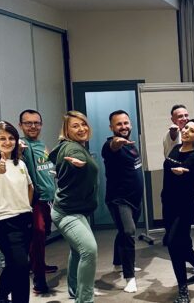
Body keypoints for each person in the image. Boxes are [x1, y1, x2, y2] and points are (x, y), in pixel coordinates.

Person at [49, 111, 99, 303]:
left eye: (83, 124)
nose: (81, 129)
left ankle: (74, 290)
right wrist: (79, 164)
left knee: (78, 251)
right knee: (89, 250)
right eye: (75, 126)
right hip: (66, 212)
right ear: (66, 130)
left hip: (75, 210)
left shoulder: (73, 146)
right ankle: (85, 300)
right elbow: (73, 158)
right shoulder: (72, 149)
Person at [0, 121, 34, 303]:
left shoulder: (20, 164)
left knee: (15, 264)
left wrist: (25, 206)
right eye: (2, 138)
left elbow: (30, 187)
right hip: (6, 223)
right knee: (22, 266)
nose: (7, 142)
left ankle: (2, 295)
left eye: (11, 138)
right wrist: (0, 167)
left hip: (25, 219)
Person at [162, 120, 194, 303]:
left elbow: (185, 177)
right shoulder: (175, 149)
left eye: (192, 130)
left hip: (184, 207)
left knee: (173, 244)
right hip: (168, 205)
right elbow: (169, 172)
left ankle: (183, 291)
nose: (187, 131)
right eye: (186, 127)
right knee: (183, 245)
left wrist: (182, 172)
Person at [101, 110, 144, 293]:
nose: (123, 127)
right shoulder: (109, 145)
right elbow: (112, 146)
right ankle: (129, 278)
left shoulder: (132, 146)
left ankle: (118, 263)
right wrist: (116, 143)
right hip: (119, 200)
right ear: (111, 127)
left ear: (131, 124)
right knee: (128, 232)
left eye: (126, 123)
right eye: (119, 124)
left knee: (123, 231)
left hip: (135, 199)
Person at [17, 109, 58, 294]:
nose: (33, 126)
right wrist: (18, 151)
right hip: (36, 201)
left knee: (44, 233)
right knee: (38, 235)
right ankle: (39, 279)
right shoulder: (22, 145)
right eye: (28, 123)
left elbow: (47, 167)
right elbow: (15, 160)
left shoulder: (42, 144)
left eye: (37, 123)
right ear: (20, 126)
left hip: (49, 198)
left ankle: (39, 264)